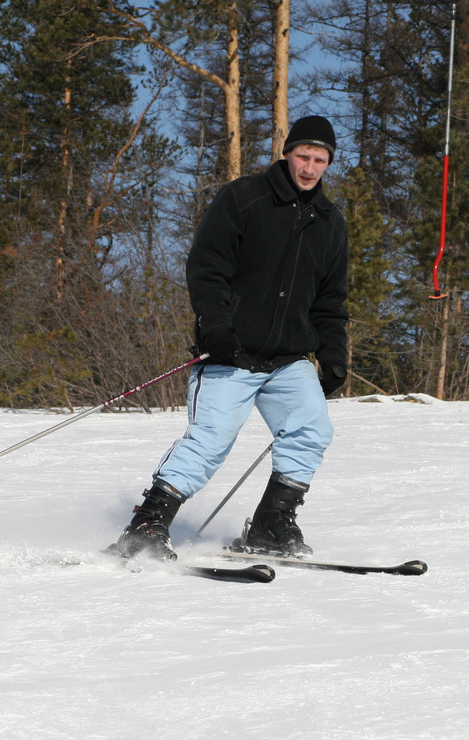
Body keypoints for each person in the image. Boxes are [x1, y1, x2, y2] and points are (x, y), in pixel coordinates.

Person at [108, 115, 349, 561]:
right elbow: (207, 267)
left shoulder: (330, 223)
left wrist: (333, 354)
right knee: (211, 439)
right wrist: (215, 325)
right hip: (231, 353)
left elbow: (330, 301)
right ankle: (146, 526)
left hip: (288, 359)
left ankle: (270, 526)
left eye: (320, 159)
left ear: (329, 163)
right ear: (286, 153)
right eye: (303, 156)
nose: (310, 168)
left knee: (311, 429)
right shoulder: (243, 198)